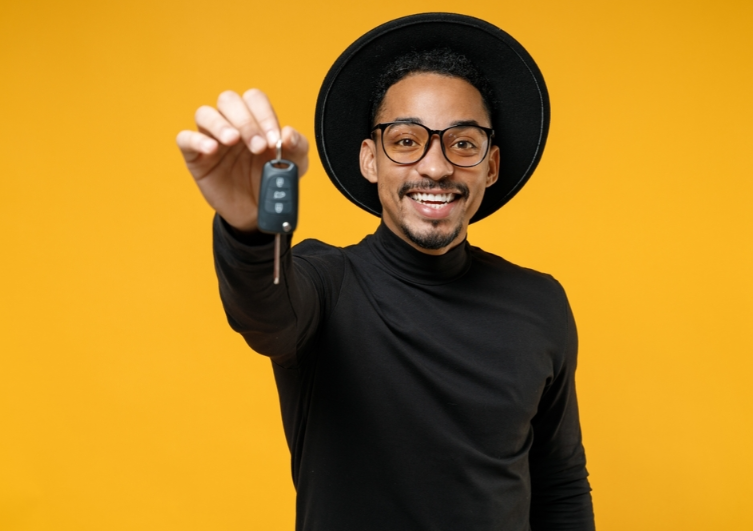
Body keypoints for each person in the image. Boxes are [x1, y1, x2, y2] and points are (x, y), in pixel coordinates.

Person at [177, 13, 594, 531]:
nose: (436, 167)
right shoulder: (326, 284)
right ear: (371, 161)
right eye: (406, 140)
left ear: (490, 165)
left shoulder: (539, 303)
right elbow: (263, 312)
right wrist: (251, 228)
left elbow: (560, 485)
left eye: (463, 143)